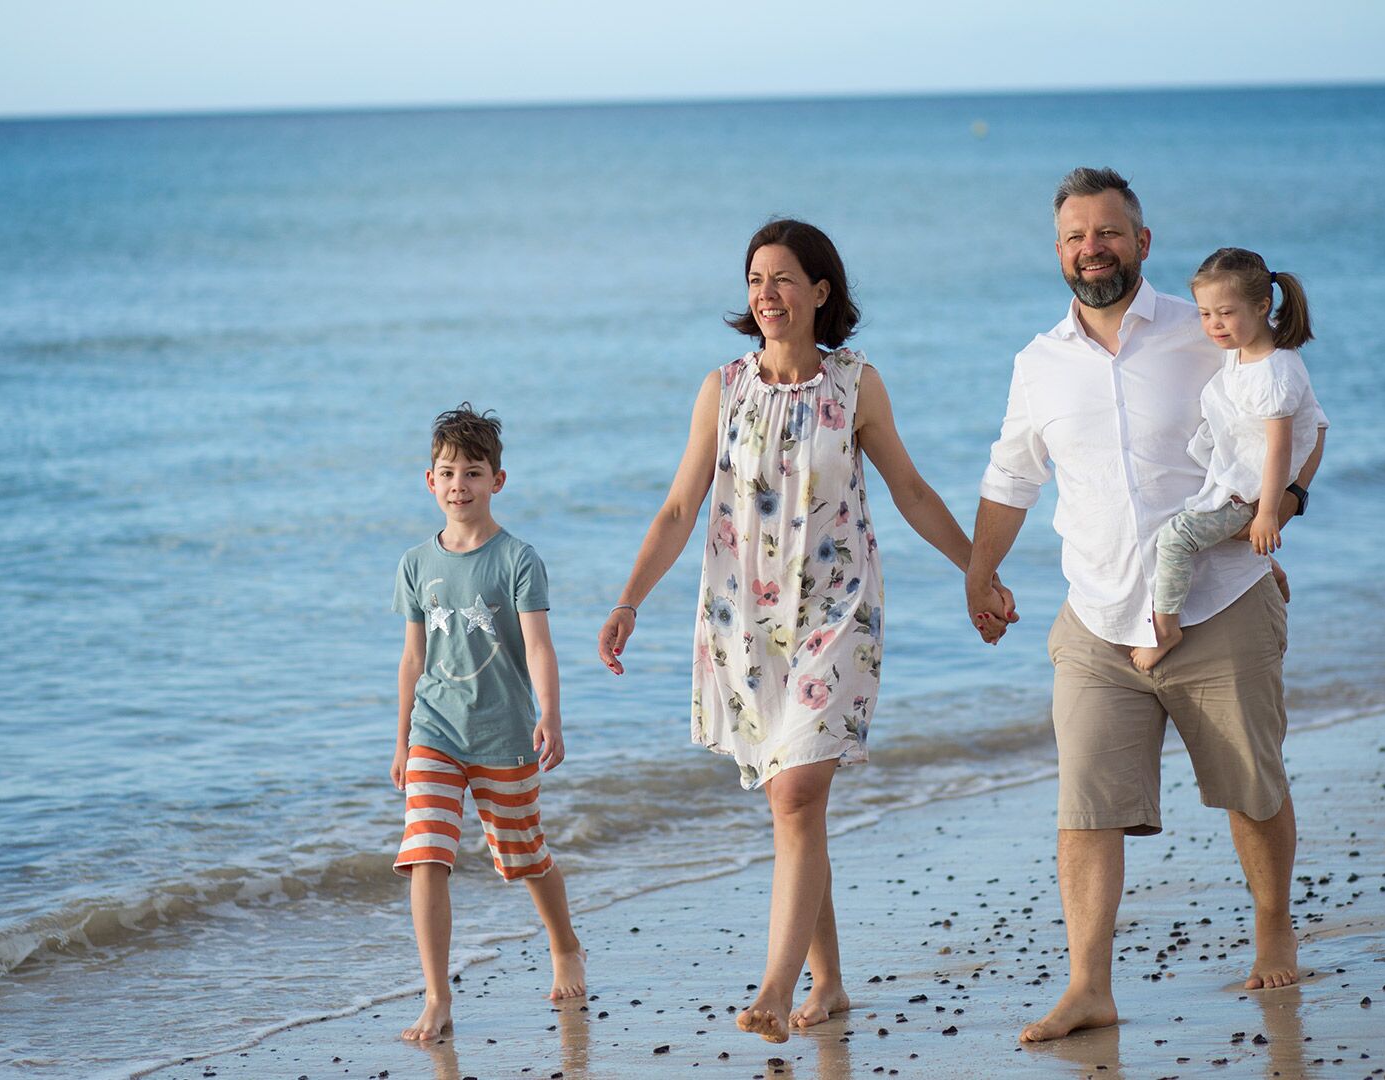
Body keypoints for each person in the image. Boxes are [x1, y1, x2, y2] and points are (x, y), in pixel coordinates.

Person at [596, 219, 1009, 1044]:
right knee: (797, 804)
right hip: (745, 624)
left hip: (837, 611)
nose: (766, 295)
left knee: (794, 793)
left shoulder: (857, 386)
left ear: (821, 291)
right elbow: (680, 507)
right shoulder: (724, 388)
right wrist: (629, 599)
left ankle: (776, 990)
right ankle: (833, 983)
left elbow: (912, 491)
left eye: (782, 279)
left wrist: (977, 570)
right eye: (755, 280)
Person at [964, 168, 1327, 1043]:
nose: (1094, 248)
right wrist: (980, 574)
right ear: (1058, 254)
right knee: (1086, 805)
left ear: (1142, 242)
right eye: (1076, 237)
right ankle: (1089, 984)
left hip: (1222, 604)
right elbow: (1013, 476)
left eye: (1109, 232)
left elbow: (1304, 421)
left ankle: (1272, 923)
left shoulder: (1206, 328)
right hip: (1095, 615)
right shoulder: (1038, 363)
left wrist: (1279, 511)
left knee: (1252, 786)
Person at [389, 404, 585, 1042]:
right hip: (434, 733)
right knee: (426, 854)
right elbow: (413, 658)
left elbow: (538, 647)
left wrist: (550, 715)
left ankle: (564, 944)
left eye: (473, 473)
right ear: (429, 480)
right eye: (447, 473)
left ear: (497, 481)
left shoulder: (518, 559)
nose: (458, 485)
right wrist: (401, 741)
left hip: (504, 734)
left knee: (525, 857)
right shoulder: (416, 564)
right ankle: (438, 996)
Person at [1131, 248, 1329, 672]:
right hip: (1234, 479)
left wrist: (1269, 513)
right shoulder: (1244, 349)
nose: (1213, 325)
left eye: (1225, 313)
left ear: (1262, 306)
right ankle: (1266, 569)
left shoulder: (1273, 375)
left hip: (1249, 494)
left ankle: (1165, 629)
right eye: (1204, 314)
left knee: (1176, 539)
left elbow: (1280, 447)